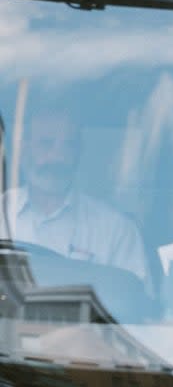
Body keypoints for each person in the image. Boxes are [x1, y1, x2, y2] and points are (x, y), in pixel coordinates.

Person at [3, 108, 150, 286]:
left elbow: (135, 302)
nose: (58, 157)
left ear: (79, 152)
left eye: (69, 145)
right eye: (46, 144)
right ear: (24, 149)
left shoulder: (116, 229)